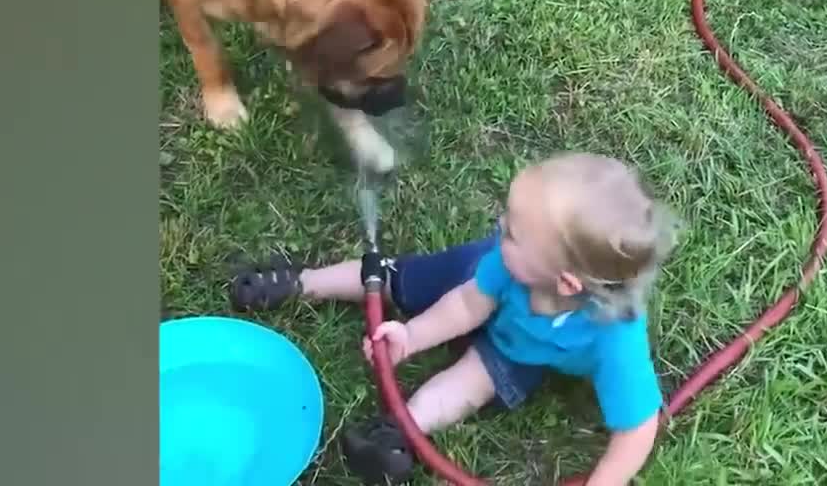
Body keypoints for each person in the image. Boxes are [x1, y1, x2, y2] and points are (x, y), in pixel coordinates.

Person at [230, 152, 681, 485]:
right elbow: (466, 305)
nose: (498, 226)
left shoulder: (614, 338)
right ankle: (304, 281)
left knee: (478, 378)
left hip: (522, 349)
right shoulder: (504, 263)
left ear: (566, 283)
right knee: (399, 280)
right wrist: (411, 335)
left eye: (513, 232)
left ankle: (400, 429)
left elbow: (637, 428)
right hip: (474, 281)